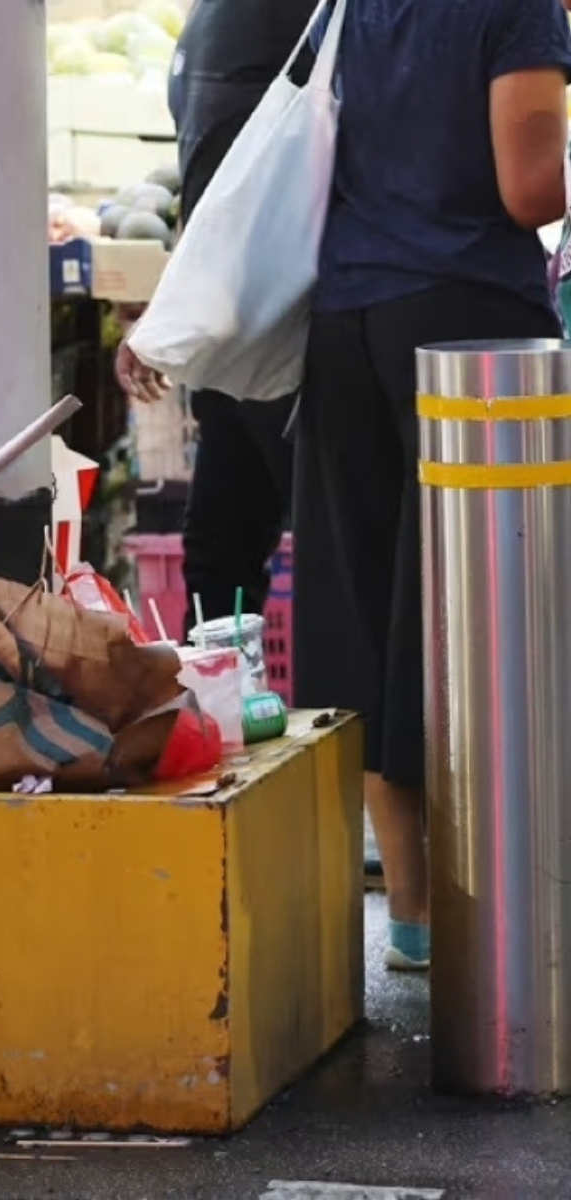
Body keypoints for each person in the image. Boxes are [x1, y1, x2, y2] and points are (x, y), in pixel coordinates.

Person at [294, 0, 571, 971]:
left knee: (367, 610)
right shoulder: (516, 7)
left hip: (342, 320)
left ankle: (411, 910)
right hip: (466, 332)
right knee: (474, 622)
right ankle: (494, 912)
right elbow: (531, 189)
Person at [115, 0, 314, 636]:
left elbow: (261, 177)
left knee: (291, 547)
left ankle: (329, 721)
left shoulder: (287, 19)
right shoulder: (218, 21)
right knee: (220, 551)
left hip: (281, 326)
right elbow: (216, 174)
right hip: (235, 326)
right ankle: (227, 710)